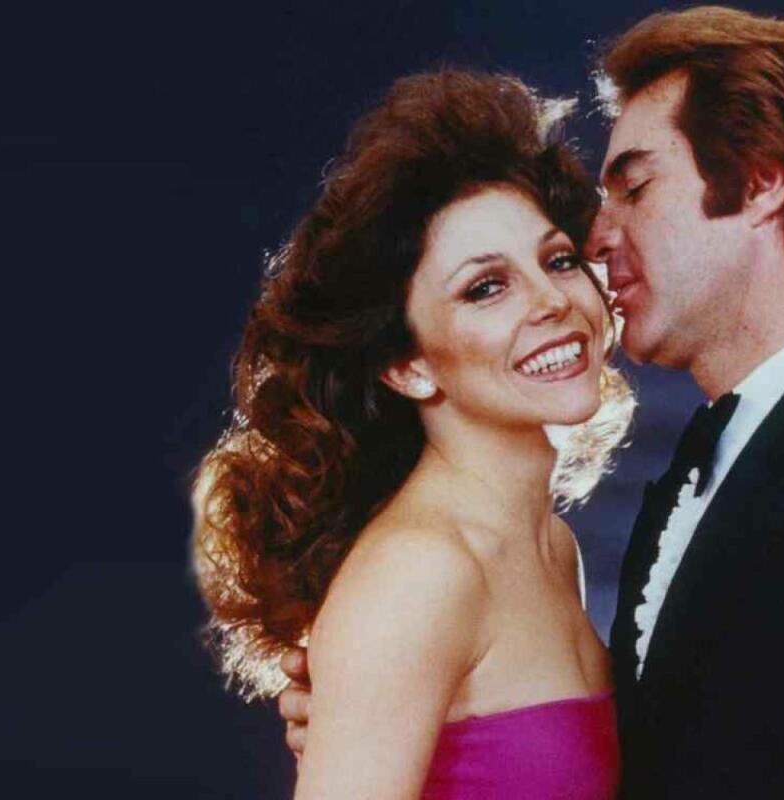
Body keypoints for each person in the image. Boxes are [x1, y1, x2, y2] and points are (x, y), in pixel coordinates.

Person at [279, 7, 784, 798]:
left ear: (762, 181)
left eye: (635, 187)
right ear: (405, 363)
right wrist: (389, 715)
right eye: (486, 286)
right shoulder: (679, 487)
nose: (595, 239)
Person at [193, 70, 635, 799]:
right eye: (486, 288)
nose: (552, 299)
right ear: (407, 365)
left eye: (558, 260)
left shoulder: (552, 547)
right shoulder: (419, 574)